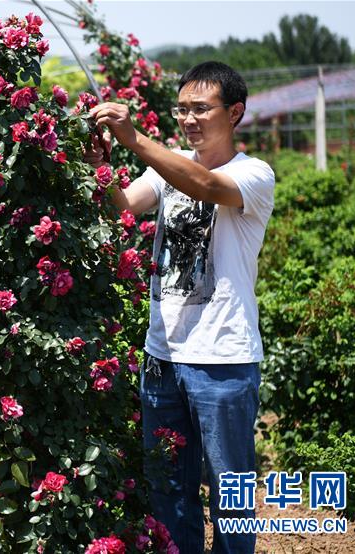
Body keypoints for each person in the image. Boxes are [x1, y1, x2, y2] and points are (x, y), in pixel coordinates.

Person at [83, 61, 275, 554]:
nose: (189, 119)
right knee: (169, 492)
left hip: (223, 361)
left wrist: (134, 139)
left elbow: (205, 186)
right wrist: (97, 165)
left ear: (234, 112)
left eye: (201, 109)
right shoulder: (165, 169)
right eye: (183, 109)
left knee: (230, 494)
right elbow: (122, 206)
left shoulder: (253, 174)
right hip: (163, 358)